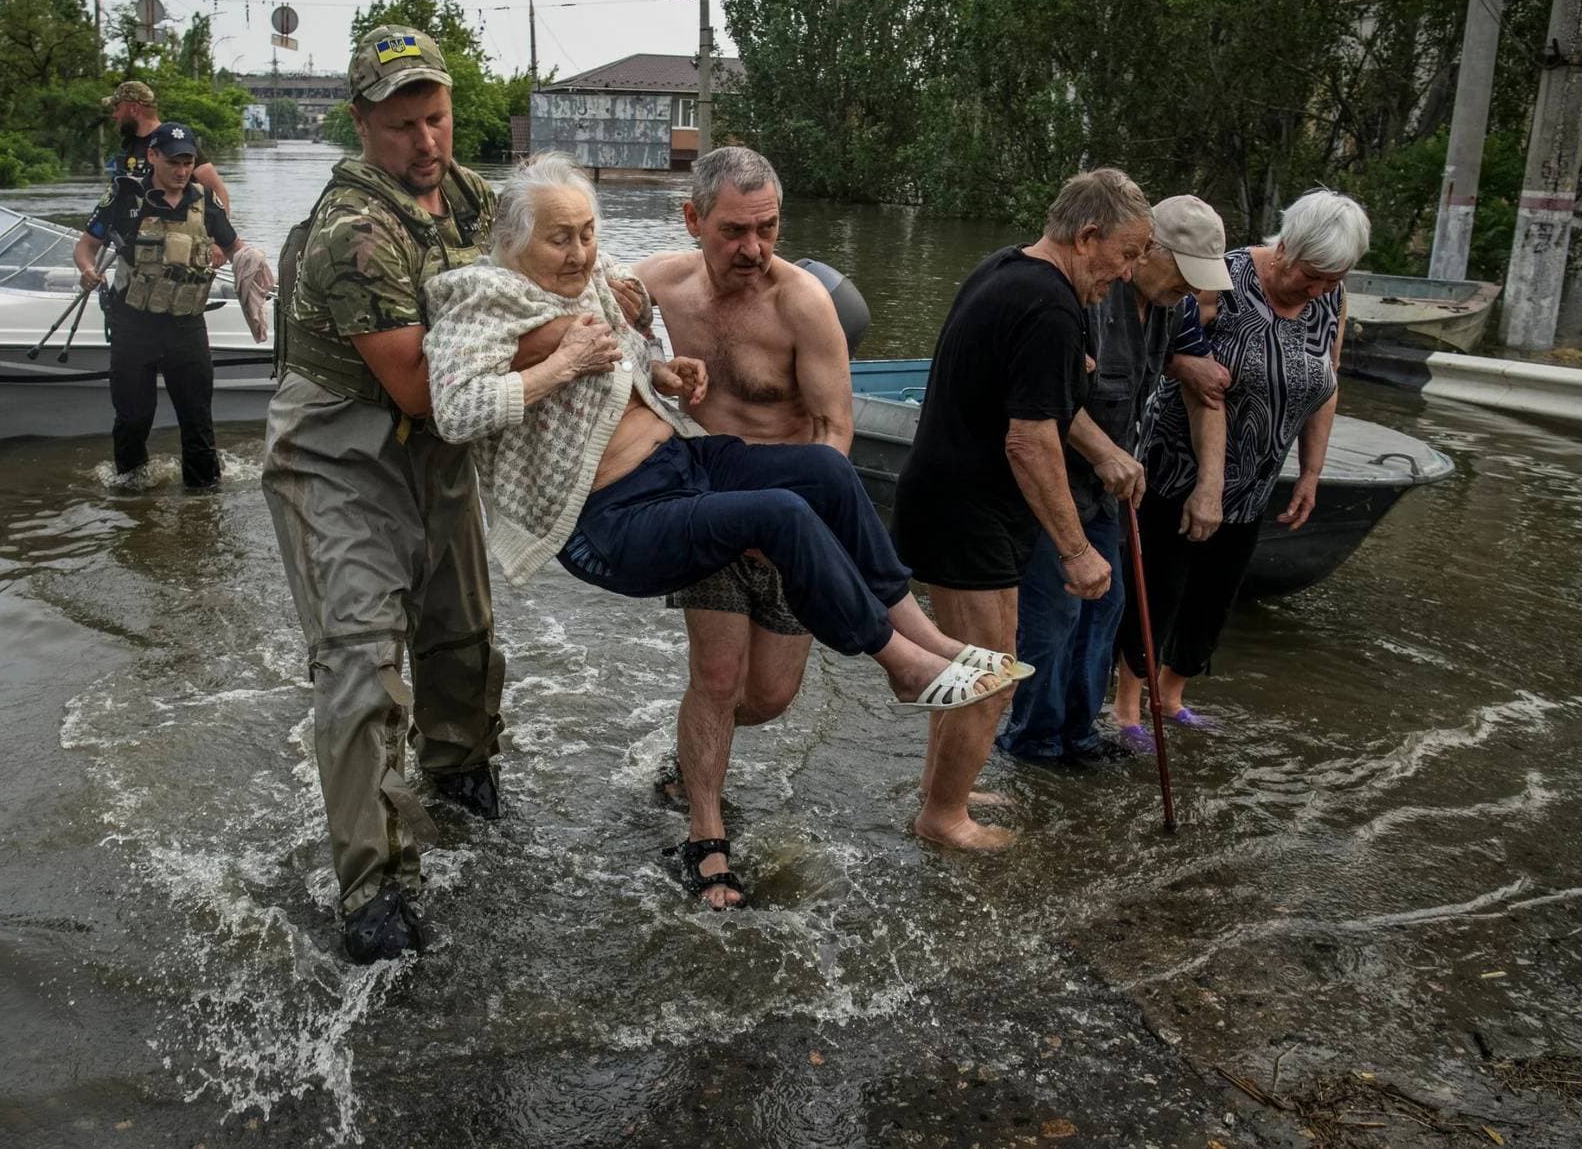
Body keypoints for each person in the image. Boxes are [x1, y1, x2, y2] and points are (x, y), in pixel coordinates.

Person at [423, 154, 1023, 895]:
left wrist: (664, 372)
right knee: (721, 662)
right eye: (560, 238)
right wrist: (566, 358)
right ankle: (865, 695)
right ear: (694, 222)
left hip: (700, 475)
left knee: (817, 502)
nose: (754, 247)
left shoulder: (777, 300)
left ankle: (920, 640)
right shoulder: (491, 297)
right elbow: (455, 410)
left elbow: (650, 357)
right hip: (627, 516)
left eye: (586, 233)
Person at [259, 27, 510, 964]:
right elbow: (420, 386)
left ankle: (463, 779)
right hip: (342, 455)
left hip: (434, 454)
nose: (426, 143)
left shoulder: (470, 195)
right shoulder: (352, 233)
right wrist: (563, 356)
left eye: (436, 118)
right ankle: (374, 886)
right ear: (362, 124)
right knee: (363, 665)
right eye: (402, 125)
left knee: (461, 637)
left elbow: (531, 278)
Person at [892, 168, 1151, 849]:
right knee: (991, 677)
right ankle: (944, 820)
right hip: (967, 509)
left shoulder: (1008, 269)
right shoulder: (1050, 307)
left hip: (949, 496)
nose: (1127, 275)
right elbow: (1030, 439)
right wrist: (1075, 549)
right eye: (1126, 255)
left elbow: (1034, 399)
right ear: (1088, 235)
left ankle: (939, 789)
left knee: (968, 668)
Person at [629, 146, 851, 910]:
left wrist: (798, 521)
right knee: (717, 681)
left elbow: (834, 430)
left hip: (789, 522)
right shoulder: (661, 282)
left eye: (768, 228)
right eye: (733, 231)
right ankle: (705, 836)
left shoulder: (802, 305)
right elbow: (583, 300)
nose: (753, 249)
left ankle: (687, 759)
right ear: (693, 220)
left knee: (769, 696)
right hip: (709, 508)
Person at [1113, 189, 1370, 743]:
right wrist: (1190, 367)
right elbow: (1163, 345)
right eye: (1314, 274)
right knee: (1160, 584)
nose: (1321, 288)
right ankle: (1128, 706)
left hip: (1256, 474)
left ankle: (1172, 693)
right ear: (1288, 247)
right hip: (1179, 463)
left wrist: (1310, 471)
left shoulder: (1332, 298)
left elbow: (1326, 384)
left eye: (1334, 277)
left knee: (1214, 592)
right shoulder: (1220, 276)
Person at [992, 195, 1233, 762]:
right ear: (1148, 251)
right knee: (1054, 615)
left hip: (1109, 497)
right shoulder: (1089, 295)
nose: (1194, 292)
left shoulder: (1173, 309)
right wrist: (1105, 452)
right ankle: (1034, 742)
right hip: (1056, 486)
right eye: (1184, 273)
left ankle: (1079, 735)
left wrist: (1209, 484)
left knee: (1107, 607)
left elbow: (1207, 392)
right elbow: (1042, 397)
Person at [75, 121, 248, 489]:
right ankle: (131, 504)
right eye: (173, 162)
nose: (182, 171)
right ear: (152, 156)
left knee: (197, 423)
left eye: (187, 162)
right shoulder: (125, 197)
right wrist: (88, 271)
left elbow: (237, 250)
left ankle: (203, 508)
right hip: (134, 327)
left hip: (186, 328)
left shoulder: (205, 202)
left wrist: (254, 266)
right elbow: (85, 247)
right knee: (134, 419)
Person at [102, 81, 231, 209]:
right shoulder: (130, 145)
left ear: (134, 109)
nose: (114, 115)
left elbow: (217, 190)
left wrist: (221, 226)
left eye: (117, 109)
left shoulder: (175, 141)